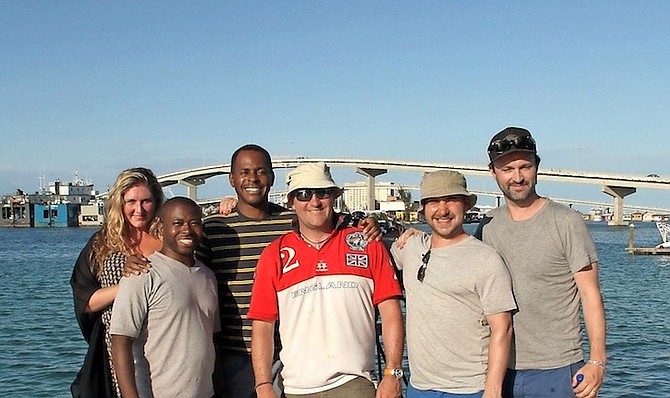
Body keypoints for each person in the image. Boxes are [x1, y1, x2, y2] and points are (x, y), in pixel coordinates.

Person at [196, 144, 382, 398]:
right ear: (231, 179)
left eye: (261, 171)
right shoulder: (214, 228)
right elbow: (190, 274)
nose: (253, 178)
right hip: (236, 353)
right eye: (245, 172)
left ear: (272, 178)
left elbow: (334, 226)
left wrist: (369, 226)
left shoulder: (293, 221)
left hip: (295, 355)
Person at [247, 162, 404, 398]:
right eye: (303, 194)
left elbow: (391, 310)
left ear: (334, 197)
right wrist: (263, 385)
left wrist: (393, 373)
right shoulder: (273, 255)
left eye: (322, 192)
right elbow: (262, 325)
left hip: (356, 383)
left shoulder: (367, 243)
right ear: (291, 202)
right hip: (296, 389)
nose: (314, 201)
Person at [475, 127, 607, 398]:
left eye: (525, 166)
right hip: (498, 369)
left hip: (558, 369)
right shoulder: (487, 226)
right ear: (493, 172)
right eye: (508, 169)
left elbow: (590, 294)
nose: (518, 177)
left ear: (537, 167)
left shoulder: (566, 222)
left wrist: (596, 361)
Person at [391, 170, 516, 398]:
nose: (443, 210)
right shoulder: (410, 247)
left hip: (470, 389)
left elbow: (503, 328)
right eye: (434, 202)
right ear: (424, 209)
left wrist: (493, 388)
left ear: (465, 206)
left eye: (451, 200)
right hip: (419, 387)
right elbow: (376, 254)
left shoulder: (486, 259)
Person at [110, 197, 219, 398]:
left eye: (194, 223)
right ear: (161, 229)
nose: (186, 230)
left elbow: (208, 338)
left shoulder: (208, 276)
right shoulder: (142, 274)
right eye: (177, 223)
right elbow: (120, 341)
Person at [70, 167, 164, 397]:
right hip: (117, 349)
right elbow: (86, 302)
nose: (138, 209)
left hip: (163, 343)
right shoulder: (103, 243)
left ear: (157, 202)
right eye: (131, 201)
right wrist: (128, 286)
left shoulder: (168, 236)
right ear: (119, 203)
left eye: (146, 201)